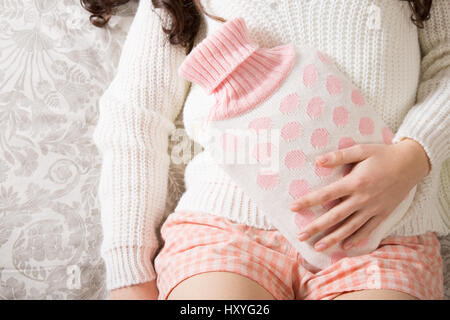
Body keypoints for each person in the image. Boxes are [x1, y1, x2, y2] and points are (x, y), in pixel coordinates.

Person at [90, 0, 450, 300]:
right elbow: (136, 117)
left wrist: (415, 155)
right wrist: (130, 278)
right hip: (227, 231)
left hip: (384, 234)